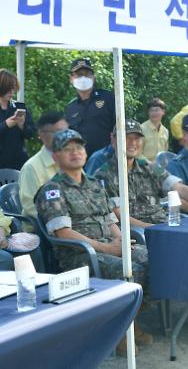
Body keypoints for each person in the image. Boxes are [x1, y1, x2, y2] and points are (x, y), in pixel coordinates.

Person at [34, 129, 152, 355]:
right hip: (80, 256)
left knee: (158, 261)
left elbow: (110, 221)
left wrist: (121, 241)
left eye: (78, 148)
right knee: (132, 270)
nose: (75, 153)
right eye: (67, 149)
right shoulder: (52, 190)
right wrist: (107, 248)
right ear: (55, 157)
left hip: (108, 246)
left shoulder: (95, 185)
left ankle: (130, 323)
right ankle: (119, 333)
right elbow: (63, 233)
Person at [94, 119, 188, 229]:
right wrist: (154, 228)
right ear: (113, 140)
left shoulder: (149, 168)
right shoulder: (104, 175)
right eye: (126, 138)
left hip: (163, 224)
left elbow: (179, 188)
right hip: (137, 234)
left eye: (137, 138)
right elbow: (119, 216)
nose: (132, 143)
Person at [19, 111, 68, 232]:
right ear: (41, 134)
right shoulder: (31, 167)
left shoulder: (72, 159)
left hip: (75, 224)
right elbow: (31, 208)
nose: (66, 136)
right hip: (43, 230)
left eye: (67, 131)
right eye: (59, 132)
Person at [65, 58, 116, 157]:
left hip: (107, 160)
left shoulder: (108, 98)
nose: (83, 78)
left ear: (93, 77)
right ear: (71, 79)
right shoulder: (71, 108)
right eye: (79, 75)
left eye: (87, 74)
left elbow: (119, 127)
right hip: (81, 161)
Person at [0, 69, 36, 170]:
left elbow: (31, 133)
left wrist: (22, 125)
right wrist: (5, 125)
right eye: (8, 89)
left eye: (14, 89)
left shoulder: (19, 107)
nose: (12, 92)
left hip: (18, 163)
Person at [140, 97, 169, 163]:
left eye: (156, 110)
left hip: (160, 169)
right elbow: (137, 153)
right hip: (143, 168)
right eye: (151, 110)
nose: (154, 113)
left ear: (163, 112)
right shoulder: (141, 129)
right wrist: (149, 164)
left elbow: (165, 153)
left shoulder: (165, 131)